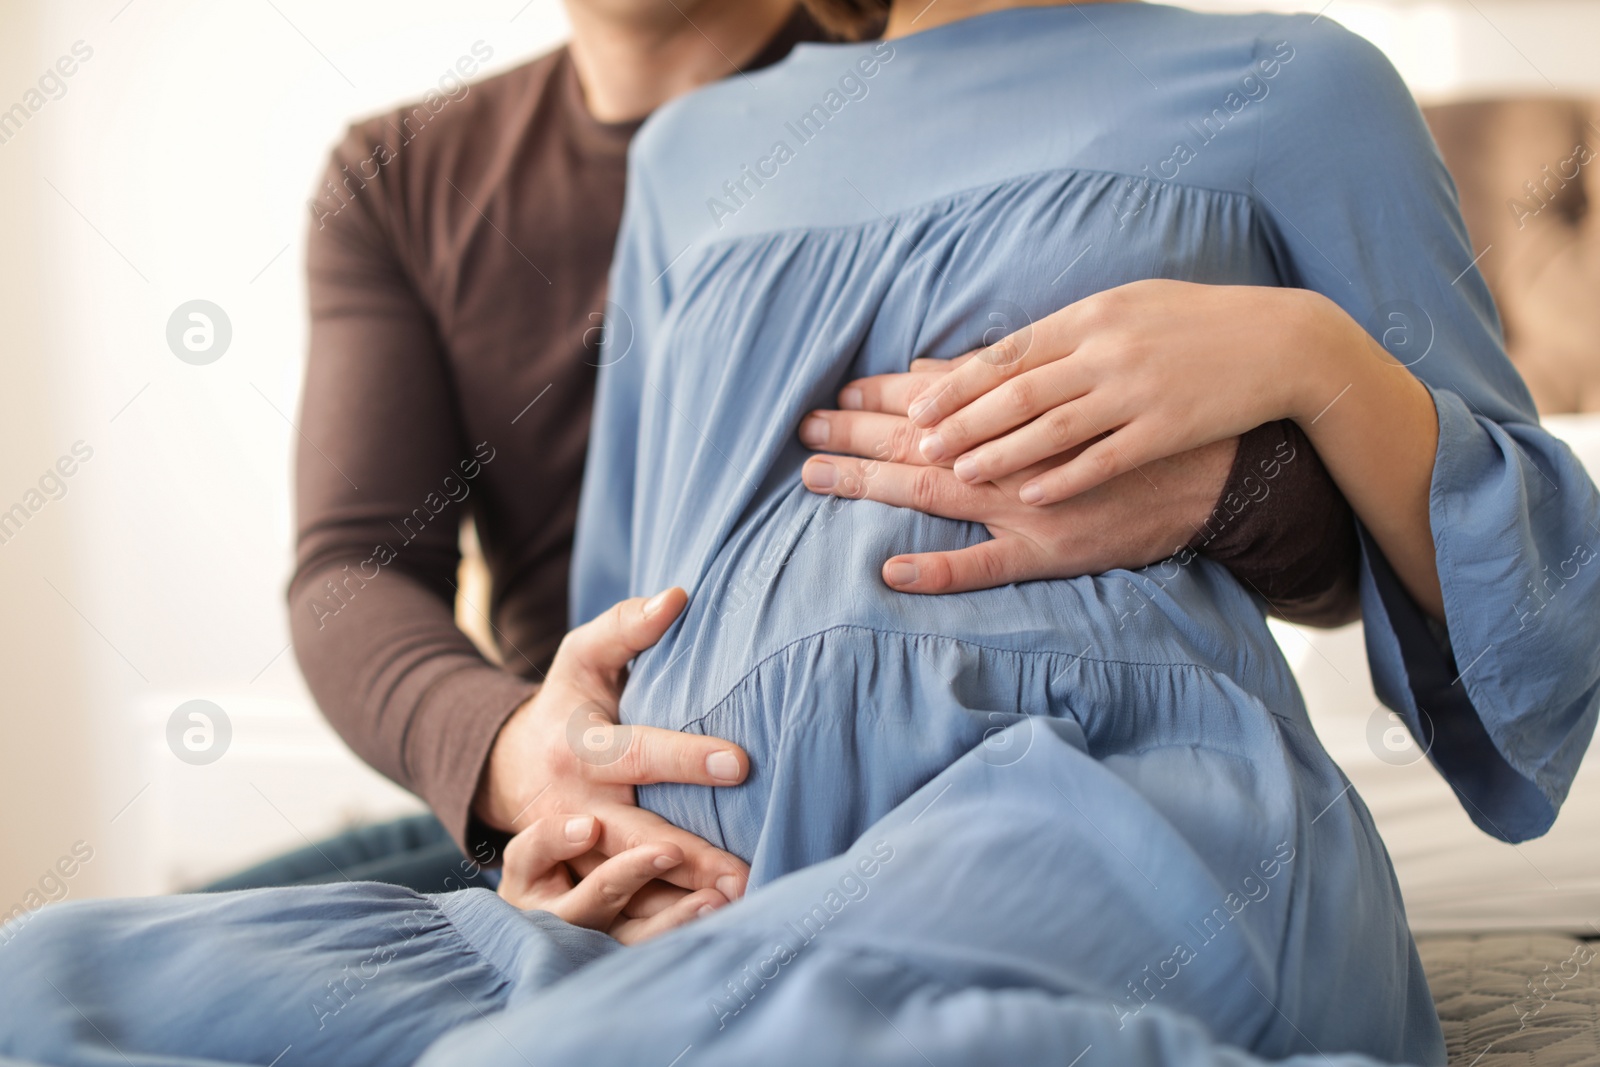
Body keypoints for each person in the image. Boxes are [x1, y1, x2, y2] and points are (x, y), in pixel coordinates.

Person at [8, 3, 1595, 1066]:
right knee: (46, 981)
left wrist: (1313, 364)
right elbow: (641, 597)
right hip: (702, 855)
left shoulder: (1293, 83)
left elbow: (1540, 592)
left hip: (1086, 785)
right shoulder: (699, 150)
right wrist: (578, 811)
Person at [254, 0, 1356, 932]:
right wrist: (515, 755)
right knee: (112, 990)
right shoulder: (404, 178)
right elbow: (353, 569)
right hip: (576, 786)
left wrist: (1231, 478)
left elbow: (1376, 539)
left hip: (942, 779)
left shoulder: (990, 75)